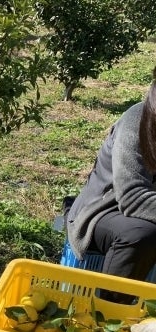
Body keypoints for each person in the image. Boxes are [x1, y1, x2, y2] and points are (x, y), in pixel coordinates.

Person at [66, 66, 156, 300]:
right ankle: (109, 312)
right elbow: (133, 196)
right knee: (141, 235)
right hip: (105, 209)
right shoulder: (137, 121)